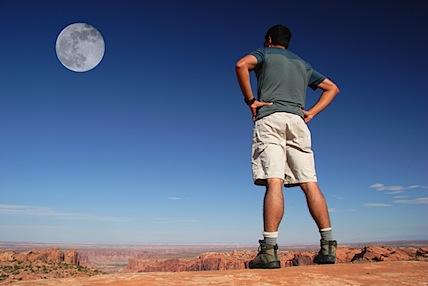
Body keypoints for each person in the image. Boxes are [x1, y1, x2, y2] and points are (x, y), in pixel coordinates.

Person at [235, 24, 340, 269]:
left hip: (271, 118)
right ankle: (328, 246)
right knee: (309, 182)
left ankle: (269, 252)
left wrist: (251, 101)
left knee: (274, 180)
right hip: (297, 122)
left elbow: (241, 65)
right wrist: (311, 112)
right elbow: (332, 88)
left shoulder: (264, 53)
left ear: (268, 39)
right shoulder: (303, 64)